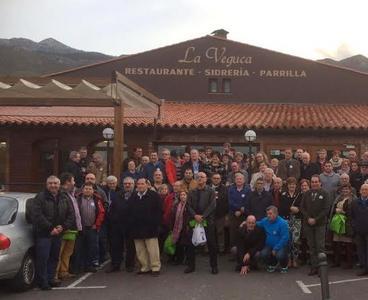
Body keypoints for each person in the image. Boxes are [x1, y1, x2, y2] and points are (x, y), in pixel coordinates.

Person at [32, 175, 74, 290]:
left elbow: (71, 214)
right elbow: (37, 215)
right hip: (44, 234)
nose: (53, 185)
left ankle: (51, 279)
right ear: (46, 185)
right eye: (50, 183)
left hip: (58, 233)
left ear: (59, 185)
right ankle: (42, 282)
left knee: (54, 257)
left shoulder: (64, 197)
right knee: (43, 258)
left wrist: (63, 227)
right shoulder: (40, 197)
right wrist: (51, 228)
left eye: (55, 183)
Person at [128, 178, 162, 276]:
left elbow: (159, 211)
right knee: (140, 250)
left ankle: (155, 268)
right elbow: (129, 211)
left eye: (142, 184)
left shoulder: (154, 196)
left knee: (153, 250)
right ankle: (145, 267)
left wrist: (156, 224)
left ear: (147, 185)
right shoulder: (133, 196)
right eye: (138, 184)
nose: (140, 186)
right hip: (136, 228)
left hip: (150, 228)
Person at [186, 172, 218, 274]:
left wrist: (203, 216)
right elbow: (188, 206)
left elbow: (212, 205)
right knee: (190, 244)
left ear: (206, 179)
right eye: (198, 177)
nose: (200, 178)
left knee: (211, 244)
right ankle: (191, 266)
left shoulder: (211, 191)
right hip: (194, 220)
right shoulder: (191, 192)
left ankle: (214, 266)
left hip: (207, 221)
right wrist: (195, 215)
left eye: (202, 177)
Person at [300, 175, 330, 276]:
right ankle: (314, 268)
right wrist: (308, 218)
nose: (314, 183)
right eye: (312, 182)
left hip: (320, 224)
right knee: (312, 247)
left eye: (316, 182)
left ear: (320, 183)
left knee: (320, 247)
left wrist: (316, 219)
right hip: (308, 224)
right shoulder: (307, 194)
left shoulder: (325, 194)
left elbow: (326, 209)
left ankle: (322, 269)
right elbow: (302, 207)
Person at [105, 177, 136, 273]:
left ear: (133, 185)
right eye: (125, 183)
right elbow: (112, 209)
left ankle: (130, 265)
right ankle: (115, 265)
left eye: (129, 184)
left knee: (130, 246)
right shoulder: (117, 195)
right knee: (116, 246)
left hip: (131, 225)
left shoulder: (136, 196)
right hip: (117, 225)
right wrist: (113, 220)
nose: (127, 185)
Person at [56, 173, 81, 281]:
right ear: (67, 182)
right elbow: (62, 212)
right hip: (64, 228)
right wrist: (64, 225)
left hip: (72, 228)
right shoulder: (61, 194)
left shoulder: (71, 194)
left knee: (67, 252)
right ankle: (54, 274)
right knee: (59, 252)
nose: (74, 183)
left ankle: (63, 272)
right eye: (73, 180)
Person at [77, 183, 105, 273]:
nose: (87, 190)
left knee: (92, 247)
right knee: (80, 247)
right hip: (81, 228)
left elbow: (101, 212)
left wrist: (96, 225)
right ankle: (80, 266)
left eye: (89, 189)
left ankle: (89, 266)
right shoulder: (77, 198)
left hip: (92, 228)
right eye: (86, 189)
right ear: (82, 190)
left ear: (93, 191)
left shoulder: (97, 199)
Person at [257, 206, 290, 273]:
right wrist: (245, 222)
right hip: (269, 245)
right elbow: (257, 223)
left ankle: (284, 265)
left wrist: (276, 248)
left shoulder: (283, 223)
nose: (268, 216)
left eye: (270, 213)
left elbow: (285, 238)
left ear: (276, 214)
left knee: (280, 255)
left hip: (281, 245)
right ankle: (272, 263)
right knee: (263, 254)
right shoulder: (265, 220)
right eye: (267, 214)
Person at [329, 184, 354, 269]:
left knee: (348, 245)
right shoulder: (338, 198)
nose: (345, 191)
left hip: (347, 224)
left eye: (347, 189)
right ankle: (337, 262)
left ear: (350, 190)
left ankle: (349, 263)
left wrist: (342, 212)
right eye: (343, 189)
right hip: (338, 224)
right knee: (337, 244)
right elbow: (333, 209)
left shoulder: (353, 199)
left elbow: (352, 212)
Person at [279, 177, 302, 268]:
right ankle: (288, 259)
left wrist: (298, 209)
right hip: (286, 220)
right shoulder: (283, 195)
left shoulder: (300, 195)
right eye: (290, 184)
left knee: (295, 241)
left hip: (296, 220)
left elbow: (303, 207)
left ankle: (295, 259)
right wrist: (290, 208)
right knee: (288, 240)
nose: (292, 186)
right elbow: (281, 208)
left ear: (296, 185)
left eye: (293, 184)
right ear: (287, 185)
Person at [228, 173, 250, 248]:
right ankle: (233, 252)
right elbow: (230, 201)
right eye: (237, 179)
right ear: (235, 180)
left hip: (244, 215)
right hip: (233, 214)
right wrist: (237, 209)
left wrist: (240, 211)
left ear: (244, 180)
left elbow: (248, 201)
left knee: (243, 232)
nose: (239, 180)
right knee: (233, 234)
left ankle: (243, 251)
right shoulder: (231, 189)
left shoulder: (248, 189)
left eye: (240, 179)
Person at [351, 183, 368, 276]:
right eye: (363, 189)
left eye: (366, 189)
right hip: (359, 231)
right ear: (360, 191)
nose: (364, 191)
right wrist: (355, 226)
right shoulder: (355, 202)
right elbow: (352, 216)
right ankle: (364, 268)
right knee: (361, 250)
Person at [171, 191, 191, 265]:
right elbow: (173, 216)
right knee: (179, 244)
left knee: (187, 244)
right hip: (177, 228)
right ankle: (179, 259)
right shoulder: (176, 205)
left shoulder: (189, 205)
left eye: (184, 195)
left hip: (187, 227)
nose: (182, 196)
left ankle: (188, 259)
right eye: (181, 195)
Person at [210, 172, 229, 253]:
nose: (216, 180)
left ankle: (221, 249)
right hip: (209, 215)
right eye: (214, 178)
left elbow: (228, 201)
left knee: (220, 233)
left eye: (218, 178)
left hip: (221, 214)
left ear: (220, 179)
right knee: (210, 232)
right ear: (211, 179)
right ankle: (210, 249)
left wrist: (227, 214)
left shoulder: (225, 189)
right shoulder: (208, 188)